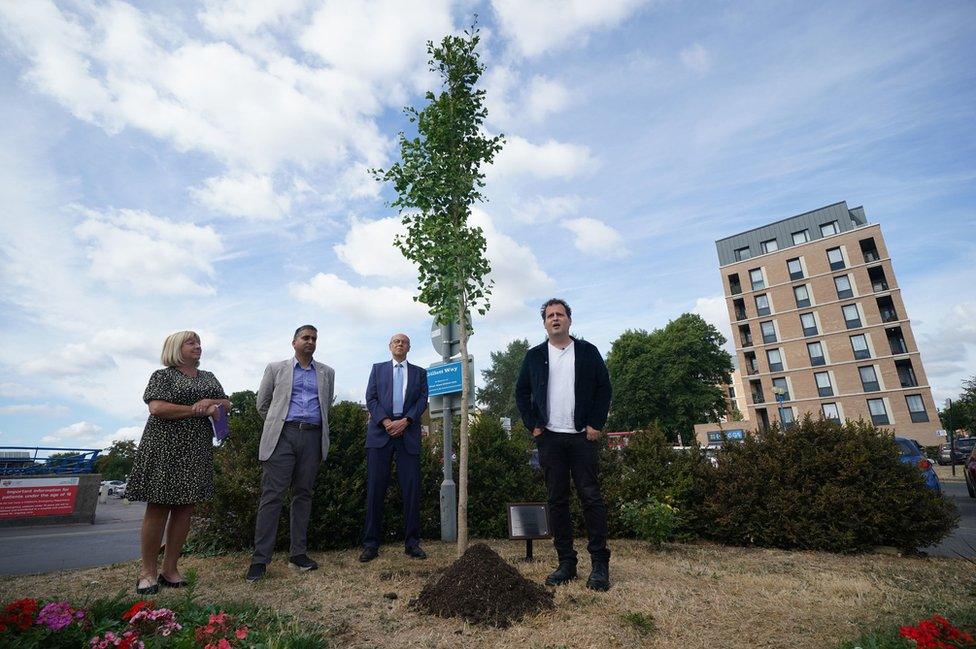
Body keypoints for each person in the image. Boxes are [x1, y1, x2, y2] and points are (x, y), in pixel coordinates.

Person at [515, 298, 613, 591]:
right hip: (550, 438)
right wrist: (533, 424)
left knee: (591, 498)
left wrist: (596, 423)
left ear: (569, 319)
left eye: (560, 314)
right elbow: (521, 392)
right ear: (544, 323)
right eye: (549, 316)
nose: (555, 319)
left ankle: (599, 564)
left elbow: (603, 388)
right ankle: (566, 562)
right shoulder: (533, 356)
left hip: (583, 436)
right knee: (557, 500)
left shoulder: (587, 352)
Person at [126, 331, 230, 594]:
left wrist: (212, 402)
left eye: (198, 342)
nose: (198, 346)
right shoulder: (162, 376)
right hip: (164, 447)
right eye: (190, 342)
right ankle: (147, 571)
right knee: (158, 507)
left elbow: (227, 404)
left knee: (185, 508)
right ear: (175, 348)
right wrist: (196, 409)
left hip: (195, 449)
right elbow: (157, 408)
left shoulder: (208, 377)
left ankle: (170, 569)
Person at [246, 325, 335, 582]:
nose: (310, 342)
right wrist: (279, 423)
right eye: (305, 338)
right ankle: (260, 560)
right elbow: (262, 404)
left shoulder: (327, 372)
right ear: (294, 342)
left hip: (312, 437)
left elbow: (326, 405)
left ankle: (298, 554)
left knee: (303, 495)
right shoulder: (276, 369)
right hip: (282, 437)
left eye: (314, 338)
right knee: (272, 497)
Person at [359, 333, 429, 562]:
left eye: (405, 341)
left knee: (411, 491)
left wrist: (406, 421)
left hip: (407, 435)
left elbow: (422, 400)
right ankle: (370, 545)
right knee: (375, 490)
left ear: (409, 347)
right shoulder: (377, 369)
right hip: (381, 434)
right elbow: (371, 398)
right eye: (396, 341)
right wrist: (386, 422)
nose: (400, 344)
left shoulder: (420, 373)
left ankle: (412, 544)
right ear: (390, 346)